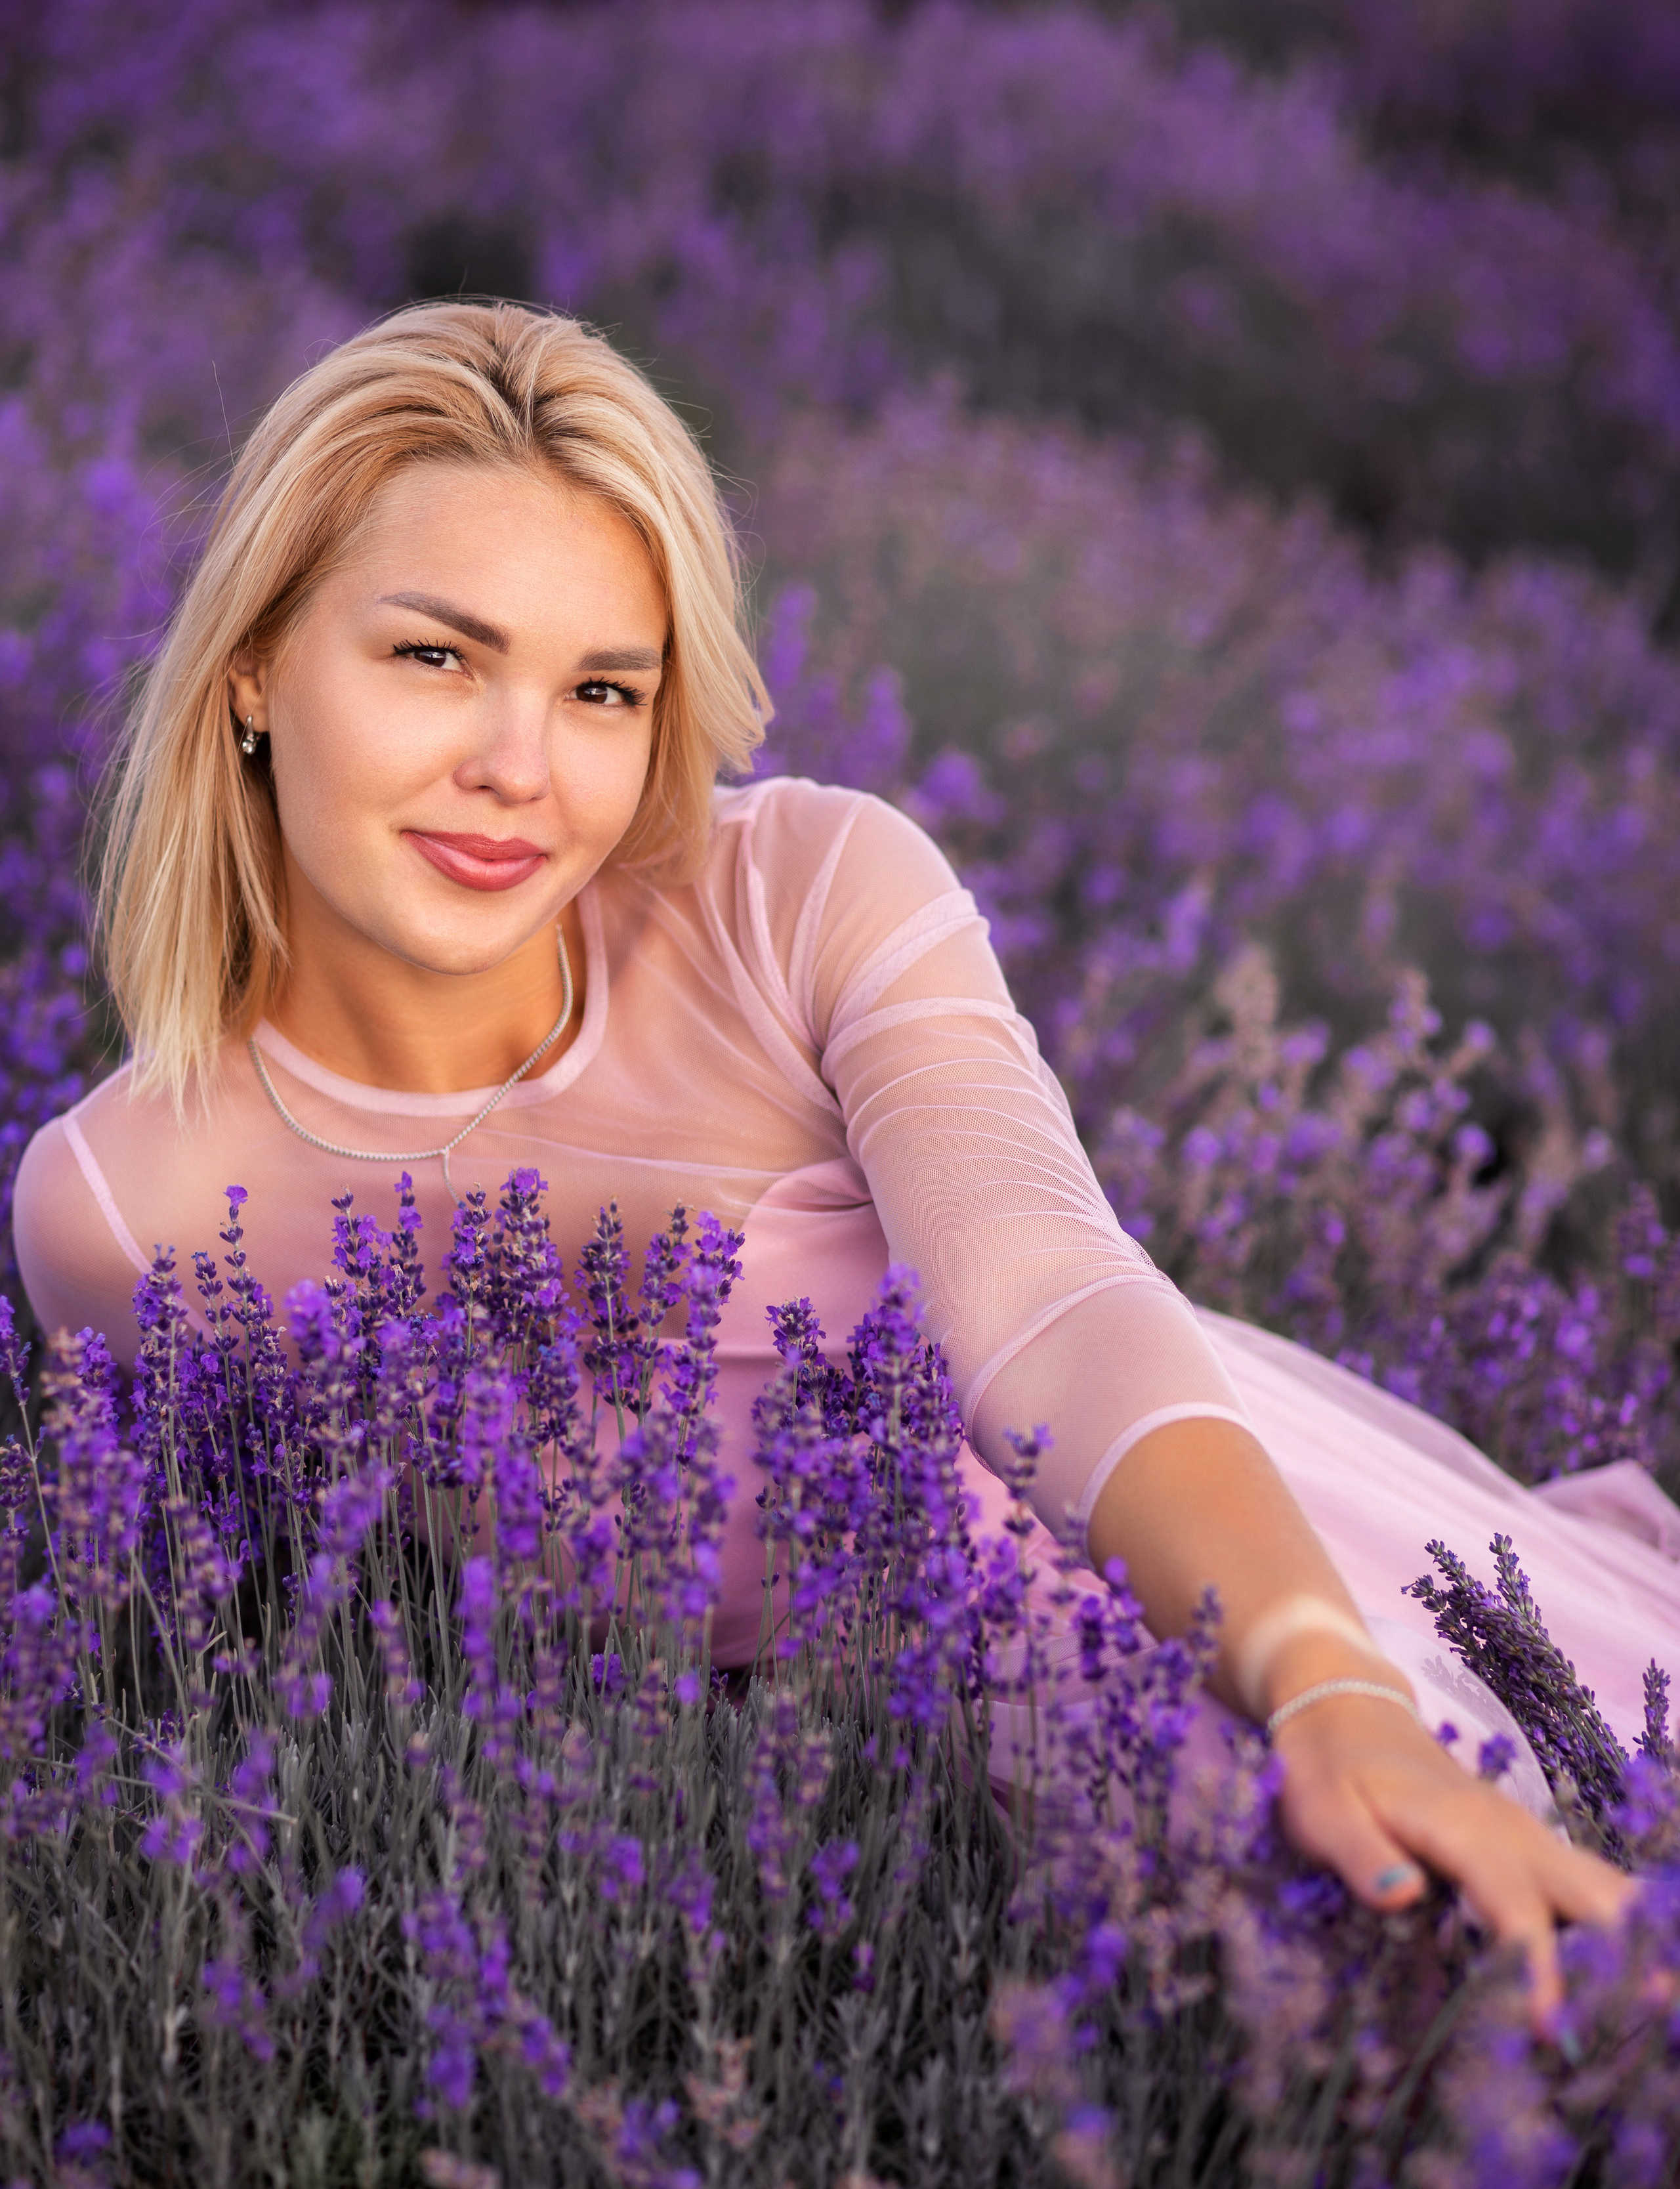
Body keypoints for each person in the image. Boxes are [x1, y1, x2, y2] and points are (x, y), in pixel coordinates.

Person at [13, 302, 1669, 2022]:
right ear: (256, 670)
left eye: (601, 692)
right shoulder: (117, 1215)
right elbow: (290, 1643)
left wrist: (1332, 1687)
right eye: (436, 657)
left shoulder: (797, 889)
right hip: (863, 1856)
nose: (517, 770)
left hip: (1212, 1565)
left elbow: (1046, 1291)